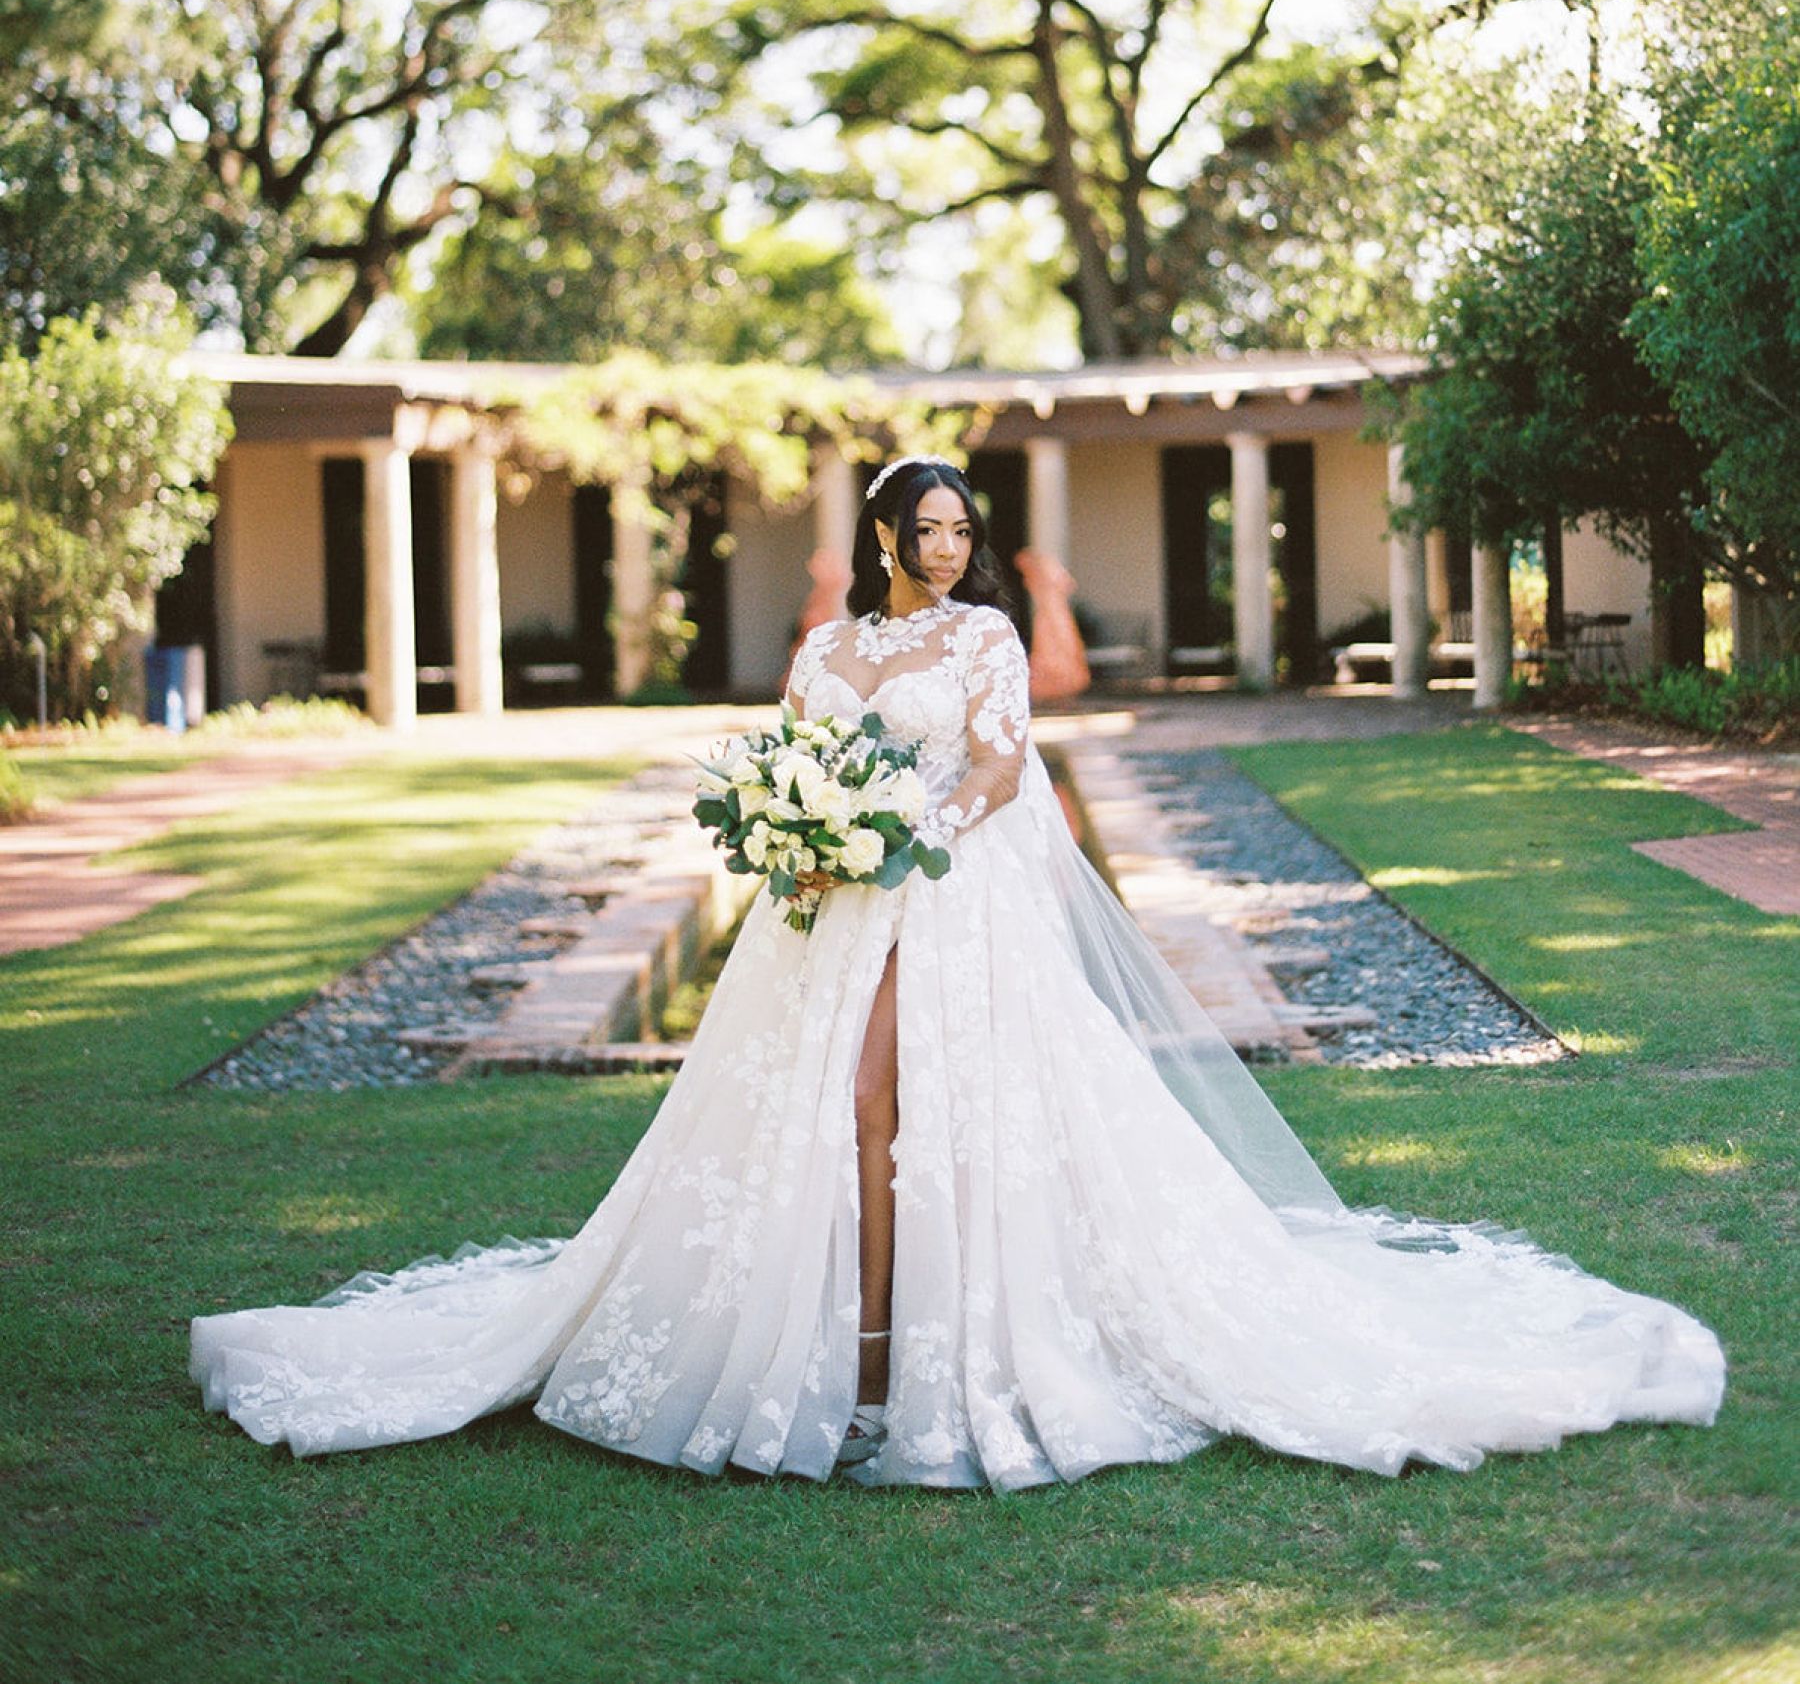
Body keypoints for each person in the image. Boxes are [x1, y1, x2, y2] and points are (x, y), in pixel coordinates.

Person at [189, 457, 1726, 1488]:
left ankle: (914, 1348)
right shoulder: (827, 652)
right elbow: (792, 762)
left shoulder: (985, 639)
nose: (949, 549)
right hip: (833, 912)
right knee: (839, 1110)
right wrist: (806, 836)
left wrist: (891, 826)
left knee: (918, 1103)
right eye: (926, 532)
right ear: (883, 539)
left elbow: (998, 771)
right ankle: (850, 1348)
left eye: (959, 533)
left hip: (949, 899)